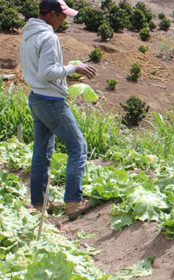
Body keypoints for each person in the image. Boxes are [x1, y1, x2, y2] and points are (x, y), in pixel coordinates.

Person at [20, 0, 97, 219]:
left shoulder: (29, 34)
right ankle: (73, 202)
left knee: (42, 151)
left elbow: (39, 71)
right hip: (51, 101)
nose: (64, 21)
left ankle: (38, 203)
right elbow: (47, 72)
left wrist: (66, 72)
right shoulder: (49, 37)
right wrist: (74, 68)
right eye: (63, 16)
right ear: (52, 15)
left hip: (36, 97)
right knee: (78, 147)